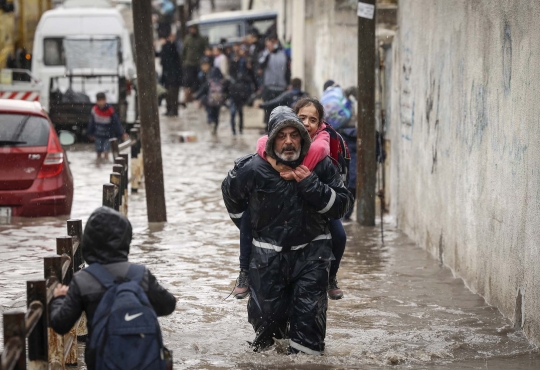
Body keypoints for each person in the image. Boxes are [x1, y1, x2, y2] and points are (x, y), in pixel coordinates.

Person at [222, 106, 353, 355]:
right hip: (267, 262)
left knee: (308, 345)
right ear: (271, 140)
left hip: (312, 258)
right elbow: (231, 196)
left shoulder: (321, 166)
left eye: (295, 135)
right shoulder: (253, 169)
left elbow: (343, 204)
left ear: (303, 138)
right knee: (269, 343)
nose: (289, 141)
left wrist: (311, 185)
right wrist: (251, 227)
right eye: (282, 136)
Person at [233, 97, 350, 301]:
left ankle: (331, 276)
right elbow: (262, 142)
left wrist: (294, 171)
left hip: (313, 202)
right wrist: (273, 160)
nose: (306, 123)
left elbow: (317, 151)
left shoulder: (321, 142)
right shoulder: (282, 137)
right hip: (278, 217)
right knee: (248, 222)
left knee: (339, 235)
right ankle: (244, 271)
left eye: (313, 120)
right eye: (301, 117)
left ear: (320, 124)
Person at [49, 206, 176, 369]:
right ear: (126, 239)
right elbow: (168, 305)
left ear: (88, 241)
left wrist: (59, 298)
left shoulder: (83, 280)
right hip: (144, 361)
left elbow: (61, 324)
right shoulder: (141, 274)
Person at [258, 35, 290, 131]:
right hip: (269, 86)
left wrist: (288, 84)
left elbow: (288, 70)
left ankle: (279, 128)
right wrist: (269, 52)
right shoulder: (264, 54)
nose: (272, 44)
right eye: (270, 42)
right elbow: (261, 65)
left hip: (281, 86)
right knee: (268, 109)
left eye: (274, 42)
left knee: (280, 110)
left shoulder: (283, 54)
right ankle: (268, 128)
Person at [87, 92, 127, 161]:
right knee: (98, 152)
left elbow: (116, 123)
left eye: (102, 100)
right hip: (98, 135)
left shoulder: (110, 110)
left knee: (106, 152)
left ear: (105, 100)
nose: (101, 103)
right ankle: (99, 164)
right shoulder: (94, 110)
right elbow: (92, 123)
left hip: (108, 136)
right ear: (96, 101)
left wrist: (121, 133)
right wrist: (90, 133)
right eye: (99, 101)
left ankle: (106, 164)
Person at [196, 57, 229, 135]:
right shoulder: (220, 78)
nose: (203, 67)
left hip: (210, 100)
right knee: (216, 114)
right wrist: (225, 98)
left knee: (210, 113)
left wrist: (197, 97)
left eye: (204, 65)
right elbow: (226, 89)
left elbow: (203, 88)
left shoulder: (209, 77)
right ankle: (215, 126)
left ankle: (211, 123)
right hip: (218, 100)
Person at [229, 45, 253, 135]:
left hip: (240, 92)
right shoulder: (234, 63)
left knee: (239, 112)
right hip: (235, 92)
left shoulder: (244, 63)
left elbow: (249, 77)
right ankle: (235, 130)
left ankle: (239, 130)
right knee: (234, 112)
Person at [182, 25, 209, 105]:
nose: (192, 30)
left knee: (199, 81)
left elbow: (206, 50)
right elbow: (184, 51)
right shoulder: (187, 38)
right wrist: (183, 62)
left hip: (198, 64)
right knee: (187, 81)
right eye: (191, 29)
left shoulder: (201, 39)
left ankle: (197, 97)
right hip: (189, 63)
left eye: (193, 29)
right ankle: (187, 97)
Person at [158, 33, 182, 117]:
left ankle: (173, 110)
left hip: (173, 76)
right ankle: (170, 109)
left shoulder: (172, 47)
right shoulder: (167, 48)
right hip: (169, 76)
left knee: (173, 93)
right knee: (169, 94)